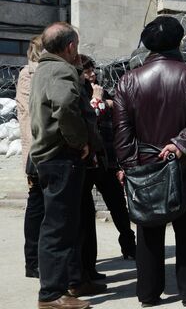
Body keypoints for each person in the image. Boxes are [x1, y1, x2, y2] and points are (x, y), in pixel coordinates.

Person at [113, 16, 186, 307]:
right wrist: (181, 145)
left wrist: (130, 168)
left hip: (145, 168)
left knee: (148, 235)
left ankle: (147, 294)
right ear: (179, 41)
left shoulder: (128, 81)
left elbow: (122, 134)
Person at [30, 22, 92, 309]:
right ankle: (52, 294)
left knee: (60, 224)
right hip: (60, 157)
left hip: (49, 157)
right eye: (76, 47)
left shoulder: (44, 68)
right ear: (70, 47)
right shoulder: (60, 70)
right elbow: (66, 106)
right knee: (58, 227)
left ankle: (65, 285)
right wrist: (79, 141)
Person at [78, 57, 136, 282]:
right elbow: (93, 116)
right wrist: (99, 101)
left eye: (93, 71)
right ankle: (87, 264)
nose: (92, 75)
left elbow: (119, 114)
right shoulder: (83, 93)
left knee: (118, 206)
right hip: (88, 161)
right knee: (85, 212)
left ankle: (129, 246)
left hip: (108, 160)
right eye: (87, 72)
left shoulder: (103, 91)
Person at [16, 35, 43, 279]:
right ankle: (32, 262)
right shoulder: (30, 74)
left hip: (37, 151)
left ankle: (35, 261)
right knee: (37, 206)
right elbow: (29, 119)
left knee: (40, 207)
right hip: (38, 151)